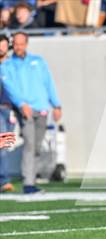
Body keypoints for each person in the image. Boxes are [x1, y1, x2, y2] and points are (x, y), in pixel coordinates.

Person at [1, 32, 62, 194]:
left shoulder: (38, 61)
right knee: (29, 143)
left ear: (26, 44)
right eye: (17, 44)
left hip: (41, 109)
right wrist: (21, 104)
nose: (19, 47)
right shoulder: (7, 65)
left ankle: (31, 179)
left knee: (36, 147)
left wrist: (56, 105)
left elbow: (48, 83)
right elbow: (10, 88)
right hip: (24, 110)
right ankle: (28, 183)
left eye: (22, 44)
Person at [0, 34, 16, 193]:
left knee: (5, 144)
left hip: (10, 108)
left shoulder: (12, 65)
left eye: (4, 45)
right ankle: (4, 180)